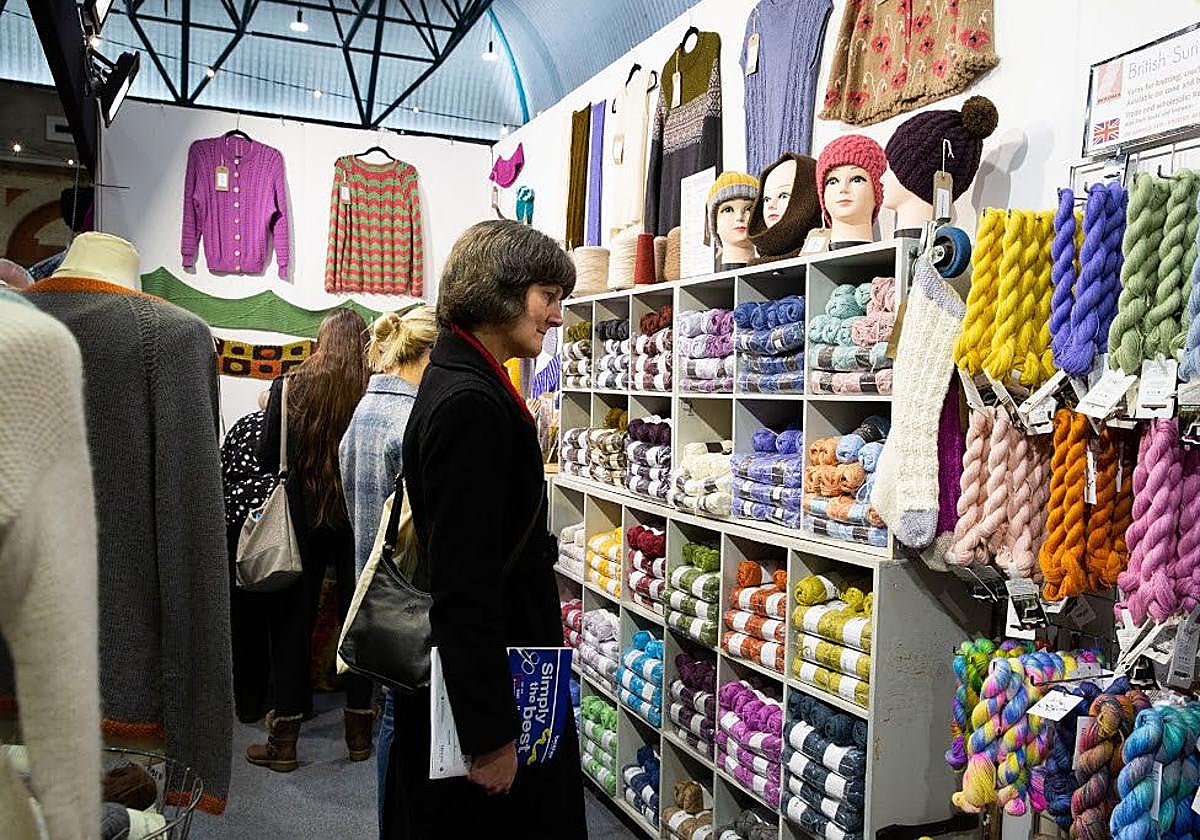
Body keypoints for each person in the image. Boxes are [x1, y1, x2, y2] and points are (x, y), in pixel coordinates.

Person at [383, 220, 586, 836]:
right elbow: (465, 584)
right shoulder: (471, 403)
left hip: (494, 671)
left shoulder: (462, 381)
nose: (555, 316)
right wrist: (492, 734)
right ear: (501, 289)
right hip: (489, 688)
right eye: (548, 296)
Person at [248, 308, 373, 771]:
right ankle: (359, 731)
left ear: (320, 340)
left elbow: (266, 458)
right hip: (358, 519)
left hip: (299, 522)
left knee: (290, 626)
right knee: (357, 620)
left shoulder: (288, 386)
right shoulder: (370, 389)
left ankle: (285, 742)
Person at [338, 303, 438, 827]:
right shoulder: (410, 421)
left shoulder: (365, 411)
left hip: (373, 585)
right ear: (426, 355)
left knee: (394, 720)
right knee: (401, 726)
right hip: (404, 593)